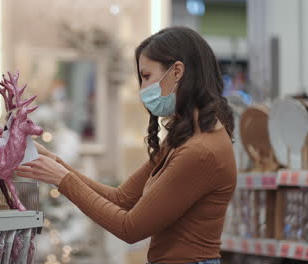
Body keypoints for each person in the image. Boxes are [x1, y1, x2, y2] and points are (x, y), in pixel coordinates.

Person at [15, 26, 237, 264]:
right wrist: (56, 164)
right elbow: (121, 198)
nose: (143, 89)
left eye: (147, 77)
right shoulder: (184, 138)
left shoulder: (200, 151)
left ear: (177, 72)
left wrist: (62, 179)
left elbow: (130, 228)